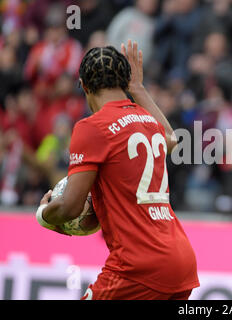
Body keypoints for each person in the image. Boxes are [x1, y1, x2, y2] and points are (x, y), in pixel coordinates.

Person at [35, 40, 199, 300]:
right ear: (124, 83)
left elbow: (70, 207)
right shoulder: (147, 120)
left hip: (138, 267)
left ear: (85, 87)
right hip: (180, 260)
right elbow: (171, 138)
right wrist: (138, 88)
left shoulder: (91, 127)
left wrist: (43, 214)